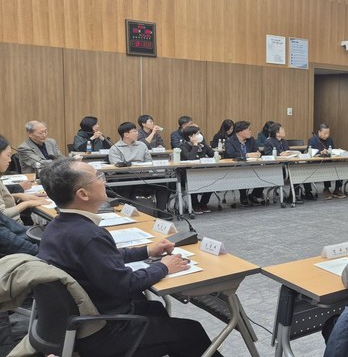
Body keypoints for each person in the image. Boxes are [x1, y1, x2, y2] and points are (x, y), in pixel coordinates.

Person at [37, 158, 221, 357]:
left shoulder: (58, 226)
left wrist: (147, 251)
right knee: (190, 332)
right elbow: (125, 284)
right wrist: (164, 267)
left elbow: (104, 258)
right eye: (98, 177)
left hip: (81, 320)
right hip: (101, 332)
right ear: (83, 194)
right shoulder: (88, 235)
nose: (104, 181)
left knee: (155, 308)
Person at [0, 135, 48, 223]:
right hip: (11, 227)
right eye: (8, 155)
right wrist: (28, 203)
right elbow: (2, 214)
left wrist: (19, 196)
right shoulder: (25, 147)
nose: (10, 160)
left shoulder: (50, 142)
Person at [223, 121, 262, 207]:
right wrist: (247, 155)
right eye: (249, 130)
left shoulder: (251, 140)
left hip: (252, 166)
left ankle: (254, 195)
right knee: (243, 172)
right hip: (236, 168)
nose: (250, 131)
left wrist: (257, 154)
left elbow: (256, 150)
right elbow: (231, 154)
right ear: (240, 131)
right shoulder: (230, 141)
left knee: (265, 173)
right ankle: (243, 196)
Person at [180, 125, 215, 213]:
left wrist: (206, 146)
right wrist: (195, 145)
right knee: (193, 182)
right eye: (197, 134)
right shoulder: (183, 146)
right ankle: (195, 205)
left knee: (213, 180)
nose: (200, 135)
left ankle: (203, 203)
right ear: (190, 136)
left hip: (203, 171)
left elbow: (212, 154)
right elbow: (190, 158)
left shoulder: (202, 145)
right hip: (187, 174)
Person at [308, 123, 344, 200]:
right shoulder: (312, 140)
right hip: (316, 164)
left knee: (340, 166)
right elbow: (309, 152)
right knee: (327, 167)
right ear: (319, 132)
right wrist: (320, 152)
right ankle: (326, 189)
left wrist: (331, 152)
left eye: (328, 133)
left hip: (328, 162)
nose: (326, 135)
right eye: (325, 133)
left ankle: (337, 189)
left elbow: (333, 150)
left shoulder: (330, 140)